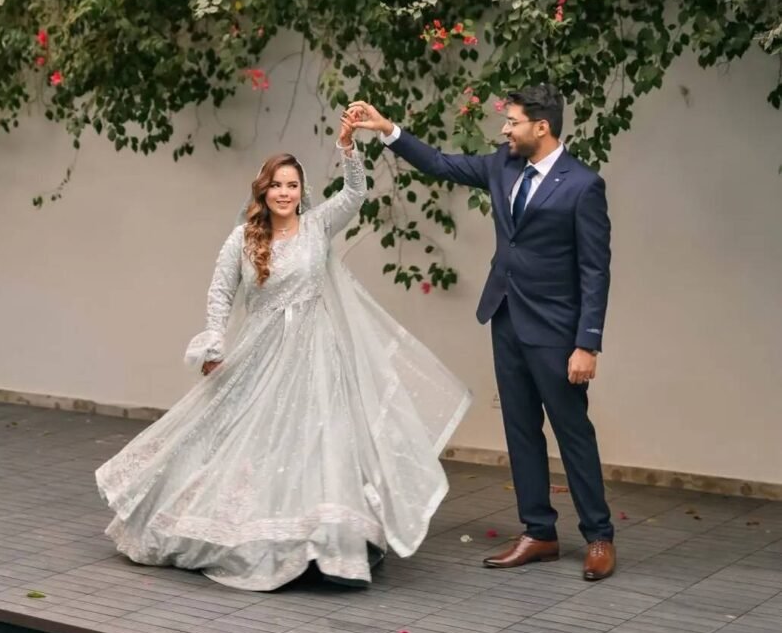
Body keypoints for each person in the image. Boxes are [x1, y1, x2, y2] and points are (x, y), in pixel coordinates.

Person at [96, 110, 471, 591]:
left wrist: (347, 146)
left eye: (292, 185)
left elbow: (355, 194)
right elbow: (220, 292)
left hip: (317, 353)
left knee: (320, 441)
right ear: (263, 191)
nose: (285, 193)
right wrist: (214, 340)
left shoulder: (317, 226)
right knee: (248, 438)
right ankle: (252, 539)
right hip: (261, 352)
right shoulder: (242, 238)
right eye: (276, 185)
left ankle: (327, 548)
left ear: (301, 191)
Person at [347, 84, 616, 582]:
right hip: (506, 317)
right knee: (519, 429)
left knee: (572, 431)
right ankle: (539, 532)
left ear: (542, 126)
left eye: (513, 121)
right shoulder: (502, 165)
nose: (504, 129)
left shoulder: (583, 185)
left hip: (557, 330)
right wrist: (388, 130)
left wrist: (587, 343)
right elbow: (440, 164)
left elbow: (595, 271)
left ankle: (599, 536)